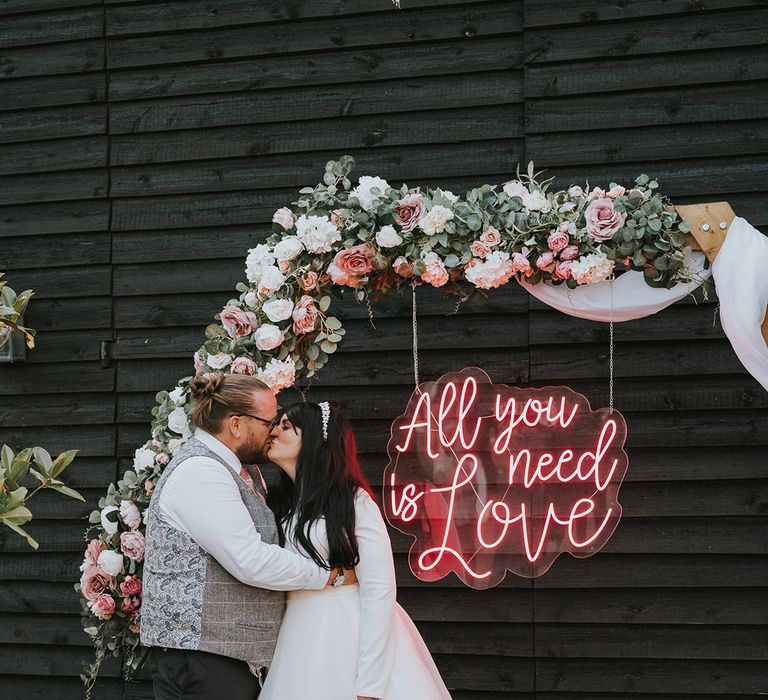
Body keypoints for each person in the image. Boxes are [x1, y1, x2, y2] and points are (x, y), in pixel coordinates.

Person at [141, 374, 356, 700]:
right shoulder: (201, 472)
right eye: (269, 421)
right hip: (203, 664)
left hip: (222, 662)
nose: (273, 430)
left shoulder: (235, 469)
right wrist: (329, 576)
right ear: (237, 424)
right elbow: (250, 559)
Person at [260, 400, 452, 700]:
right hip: (297, 637)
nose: (273, 433)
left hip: (347, 632)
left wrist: (370, 685)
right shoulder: (279, 505)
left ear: (313, 441)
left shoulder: (354, 502)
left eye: (286, 427)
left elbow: (379, 590)